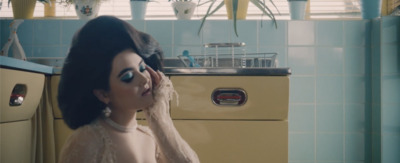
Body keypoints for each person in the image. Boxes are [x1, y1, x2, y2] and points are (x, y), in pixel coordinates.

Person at [57, 16, 199, 163]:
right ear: (103, 93)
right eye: (128, 77)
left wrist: (158, 116)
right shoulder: (88, 140)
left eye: (142, 68)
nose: (144, 79)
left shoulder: (149, 137)